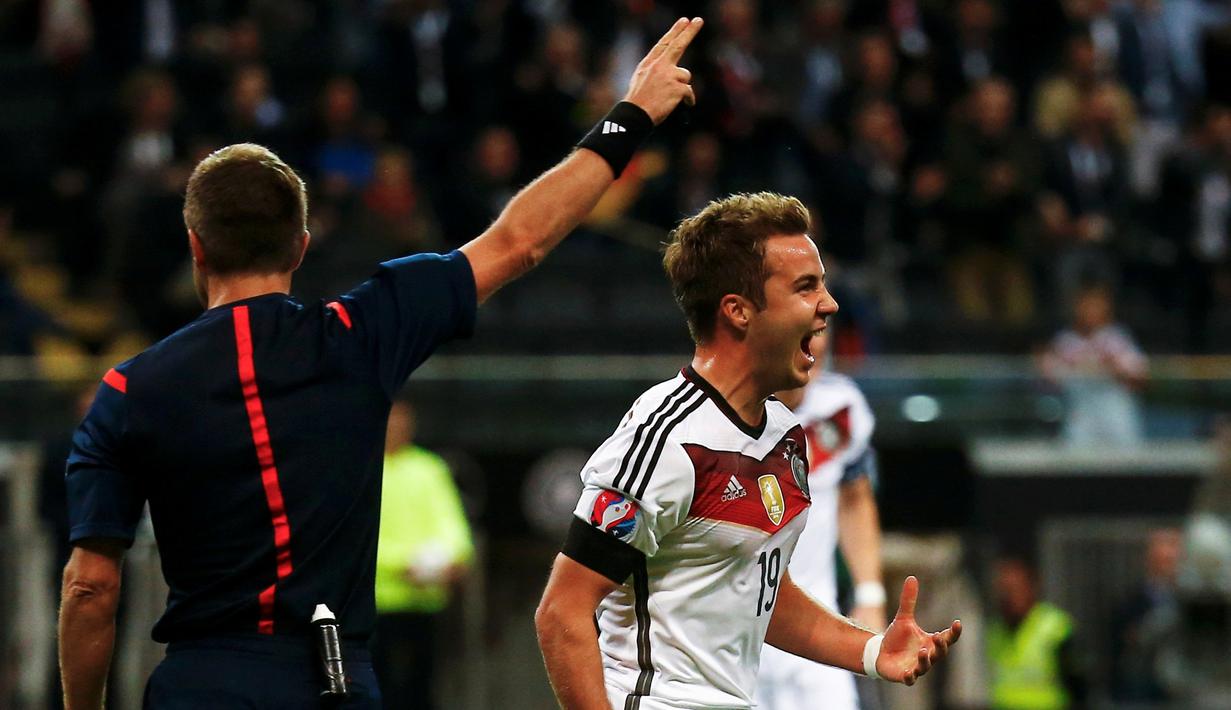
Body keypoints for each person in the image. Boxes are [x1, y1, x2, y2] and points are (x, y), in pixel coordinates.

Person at [57, 16, 702, 709]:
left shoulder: (128, 389)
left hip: (200, 683)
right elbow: (520, 240)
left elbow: (90, 587)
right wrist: (627, 117)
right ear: (301, 246)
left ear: (196, 247)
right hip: (330, 681)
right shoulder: (361, 332)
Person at [535, 192, 961, 710]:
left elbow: (759, 591)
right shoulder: (667, 437)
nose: (829, 305)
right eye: (806, 287)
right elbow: (562, 612)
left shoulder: (784, 434)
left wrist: (870, 651)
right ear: (738, 311)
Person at [757, 327, 886, 710]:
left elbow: (855, 498)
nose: (814, 343)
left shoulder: (840, 406)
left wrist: (870, 593)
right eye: (801, 329)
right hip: (733, 641)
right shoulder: (718, 416)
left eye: (821, 329)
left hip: (817, 629)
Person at [373, 400, 474, 709]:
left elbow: (453, 528)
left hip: (424, 604)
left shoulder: (430, 469)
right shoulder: (362, 467)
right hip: (375, 605)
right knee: (377, 690)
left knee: (421, 691)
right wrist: (400, 566)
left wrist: (455, 559)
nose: (396, 428)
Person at [1038, 283, 1148, 446]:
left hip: (1116, 414)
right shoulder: (1064, 341)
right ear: (1076, 308)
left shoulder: (1118, 338)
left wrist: (1114, 366)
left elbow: (1141, 380)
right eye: (1086, 306)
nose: (1091, 311)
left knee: (1125, 465)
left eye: (1096, 306)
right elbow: (1047, 382)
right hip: (1080, 414)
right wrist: (1046, 363)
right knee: (1076, 465)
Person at [986, 557, 1084, 710]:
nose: (1008, 598)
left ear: (1031, 588)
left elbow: (1078, 686)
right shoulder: (993, 631)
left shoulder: (1055, 628)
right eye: (1004, 591)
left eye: (1014, 589)